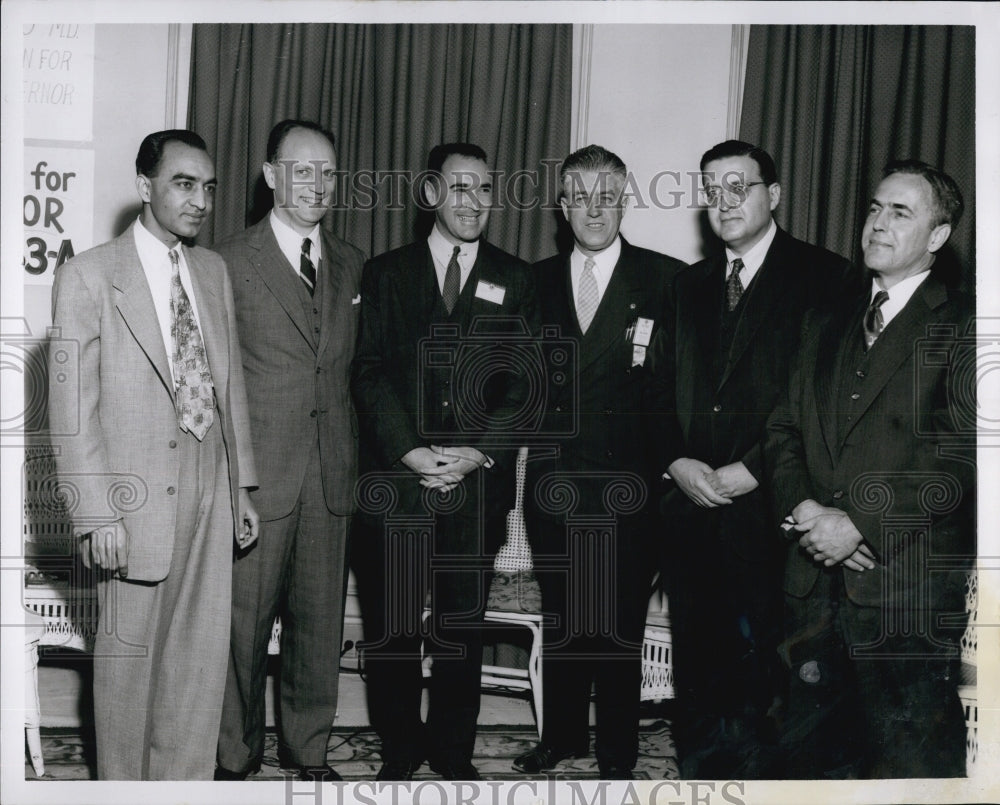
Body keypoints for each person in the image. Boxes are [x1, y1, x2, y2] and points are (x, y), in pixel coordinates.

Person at [47, 129, 259, 780]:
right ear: (145, 187)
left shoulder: (212, 270)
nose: (200, 200)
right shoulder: (87, 275)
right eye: (183, 184)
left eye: (209, 187)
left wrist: (242, 486)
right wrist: (94, 514)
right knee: (126, 677)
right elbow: (69, 404)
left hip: (208, 491)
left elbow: (230, 386)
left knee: (196, 671)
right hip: (130, 504)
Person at [764, 161, 974, 778]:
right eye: (875, 208)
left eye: (900, 213)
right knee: (811, 766)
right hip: (812, 590)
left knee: (907, 768)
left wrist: (858, 523)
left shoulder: (967, 323)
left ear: (938, 236)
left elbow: (963, 453)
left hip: (904, 594)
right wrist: (806, 510)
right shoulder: (826, 319)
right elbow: (782, 429)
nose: (877, 223)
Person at [660, 139, 857, 778]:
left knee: (774, 669)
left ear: (772, 196)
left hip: (776, 513)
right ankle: (700, 780)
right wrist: (677, 463)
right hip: (691, 509)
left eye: (737, 186)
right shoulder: (684, 286)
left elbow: (825, 401)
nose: (723, 202)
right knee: (699, 663)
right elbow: (654, 391)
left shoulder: (826, 278)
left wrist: (754, 469)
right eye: (711, 191)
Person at [351, 142, 536, 781]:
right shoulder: (384, 274)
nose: (472, 202)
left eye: (484, 189)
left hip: (476, 488)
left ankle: (454, 752)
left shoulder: (518, 278)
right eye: (459, 188)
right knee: (395, 630)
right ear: (431, 193)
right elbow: (367, 371)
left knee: (462, 628)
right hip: (398, 486)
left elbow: (526, 385)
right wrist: (411, 451)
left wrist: (476, 451)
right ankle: (400, 749)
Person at [514, 144, 686, 780]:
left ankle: (617, 752)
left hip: (631, 488)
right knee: (561, 617)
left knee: (617, 627)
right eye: (579, 196)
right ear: (562, 206)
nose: (593, 209)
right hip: (554, 485)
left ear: (625, 200)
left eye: (606, 195)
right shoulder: (531, 282)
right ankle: (560, 738)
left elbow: (679, 390)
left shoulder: (668, 281)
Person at [213, 120, 365, 781]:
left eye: (328, 172)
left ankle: (308, 751)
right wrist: (235, 482)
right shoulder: (227, 262)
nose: (317, 184)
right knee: (242, 631)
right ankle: (234, 757)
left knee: (318, 627)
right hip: (259, 480)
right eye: (302, 170)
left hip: (331, 477)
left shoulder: (354, 263)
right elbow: (217, 384)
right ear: (271, 175)